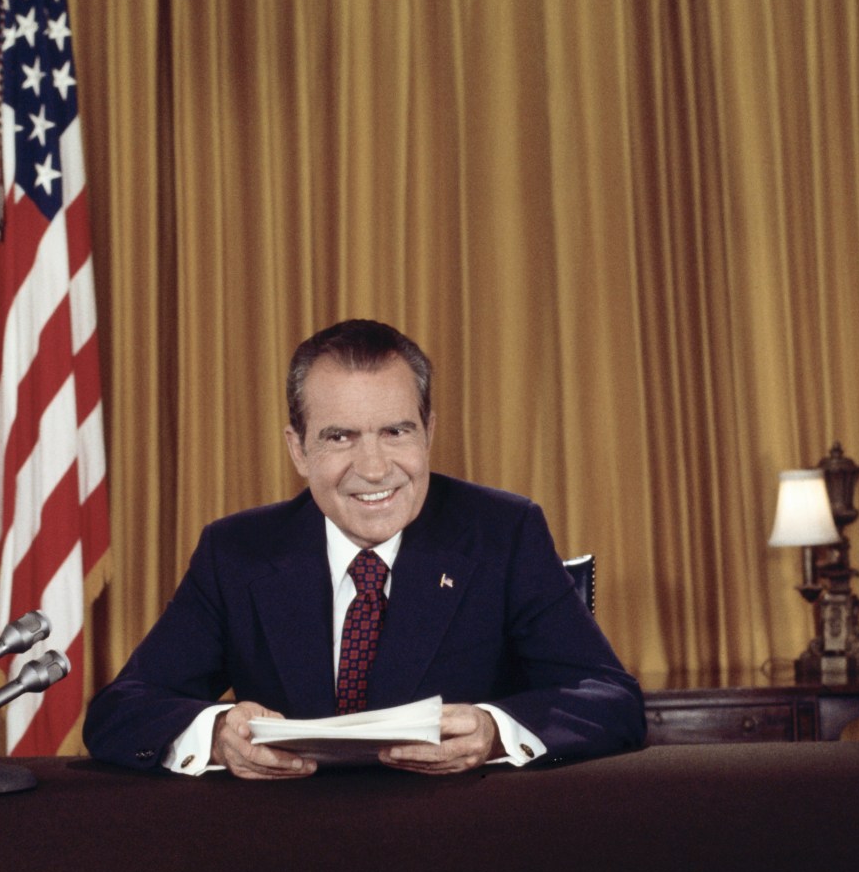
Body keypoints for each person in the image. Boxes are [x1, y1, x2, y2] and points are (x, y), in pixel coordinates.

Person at [83, 320, 645, 778]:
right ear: (299, 450)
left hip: (460, 853)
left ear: (428, 432)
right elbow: (120, 711)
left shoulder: (503, 532)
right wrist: (215, 735)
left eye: (396, 432)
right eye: (340, 437)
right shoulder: (237, 552)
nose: (374, 468)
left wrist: (494, 730)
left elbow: (610, 699)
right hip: (285, 860)